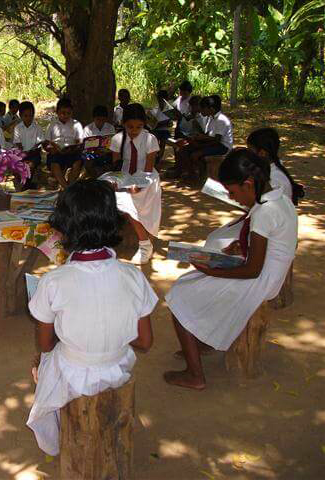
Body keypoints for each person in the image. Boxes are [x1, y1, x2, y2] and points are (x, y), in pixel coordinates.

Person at [27, 179, 156, 456]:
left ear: (63, 229)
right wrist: (110, 334)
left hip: (72, 376)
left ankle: (66, 437)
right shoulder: (134, 276)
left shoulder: (53, 281)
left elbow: (46, 343)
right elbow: (145, 342)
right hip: (118, 369)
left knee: (43, 360)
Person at [164, 149, 297, 390]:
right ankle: (204, 339)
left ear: (248, 184)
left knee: (179, 296)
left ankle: (195, 376)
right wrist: (242, 246)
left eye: (233, 192)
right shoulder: (279, 199)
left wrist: (212, 271)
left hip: (259, 282)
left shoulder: (265, 212)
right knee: (191, 283)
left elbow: (253, 271)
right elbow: (270, 246)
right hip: (266, 274)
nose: (232, 198)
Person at [110, 103, 162, 264]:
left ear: (144, 124)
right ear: (123, 124)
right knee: (104, 191)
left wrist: (137, 185)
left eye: (139, 126)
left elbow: (147, 170)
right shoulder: (118, 139)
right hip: (124, 176)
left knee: (127, 201)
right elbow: (116, 167)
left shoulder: (150, 139)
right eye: (130, 126)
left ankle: (145, 245)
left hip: (146, 178)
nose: (134, 130)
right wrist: (117, 182)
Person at [168, 95, 233, 179]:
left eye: (203, 109)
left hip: (223, 146)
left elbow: (217, 140)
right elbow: (208, 135)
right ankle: (190, 172)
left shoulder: (221, 120)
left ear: (211, 109)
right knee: (184, 149)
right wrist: (198, 138)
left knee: (195, 154)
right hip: (214, 143)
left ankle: (202, 176)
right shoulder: (211, 118)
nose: (201, 111)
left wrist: (201, 144)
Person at [247, 128, 304, 206]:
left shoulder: (275, 179)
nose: (247, 154)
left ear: (262, 153)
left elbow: (263, 206)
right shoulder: (274, 167)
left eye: (250, 150)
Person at [44, 97, 85, 189]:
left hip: (72, 153)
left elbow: (80, 142)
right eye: (62, 113)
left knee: (77, 162)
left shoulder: (76, 124)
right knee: (55, 164)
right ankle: (66, 188)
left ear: (72, 112)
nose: (65, 115)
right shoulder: (52, 125)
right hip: (56, 153)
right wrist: (51, 148)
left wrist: (75, 148)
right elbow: (46, 142)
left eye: (68, 113)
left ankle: (70, 184)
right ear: (57, 112)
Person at [13, 101, 44, 190]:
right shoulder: (18, 128)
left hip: (34, 154)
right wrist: (22, 152)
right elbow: (18, 143)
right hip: (21, 153)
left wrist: (32, 150)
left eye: (31, 115)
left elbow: (39, 143)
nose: (28, 118)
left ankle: (26, 186)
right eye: (25, 116)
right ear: (20, 115)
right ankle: (28, 185)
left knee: (30, 165)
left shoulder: (37, 128)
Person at [83, 105, 115, 177]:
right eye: (98, 119)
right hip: (92, 153)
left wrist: (106, 150)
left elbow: (113, 144)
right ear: (93, 118)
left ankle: (105, 179)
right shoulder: (88, 129)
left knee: (113, 162)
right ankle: (96, 179)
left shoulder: (110, 128)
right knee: (88, 162)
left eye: (103, 120)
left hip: (107, 153)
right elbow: (85, 147)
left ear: (106, 119)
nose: (100, 122)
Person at [148, 89, 173, 163]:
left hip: (165, 131)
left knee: (163, 142)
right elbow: (151, 123)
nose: (161, 101)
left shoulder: (169, 110)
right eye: (159, 99)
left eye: (162, 99)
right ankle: (155, 157)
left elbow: (170, 123)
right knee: (154, 141)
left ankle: (159, 159)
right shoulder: (155, 109)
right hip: (156, 130)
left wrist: (165, 123)